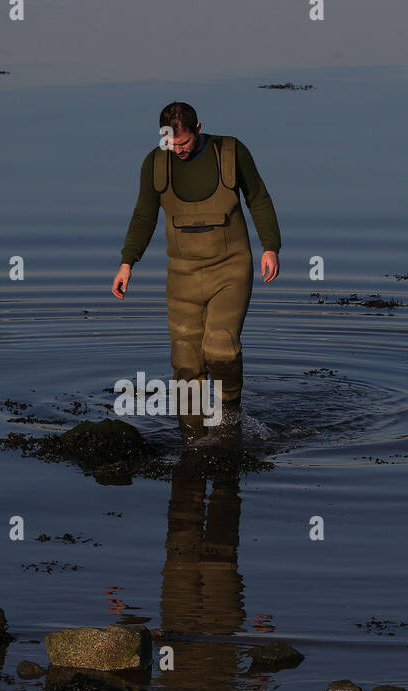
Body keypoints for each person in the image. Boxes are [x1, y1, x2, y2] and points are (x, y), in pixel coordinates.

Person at [112, 101, 281, 444]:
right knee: (186, 363)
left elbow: (258, 197)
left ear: (199, 128)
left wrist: (270, 247)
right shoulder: (156, 163)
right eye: (171, 144)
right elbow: (144, 214)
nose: (178, 150)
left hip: (230, 268)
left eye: (184, 143)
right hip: (182, 276)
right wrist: (127, 262)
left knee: (221, 349)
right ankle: (191, 437)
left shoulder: (231, 153)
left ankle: (228, 423)